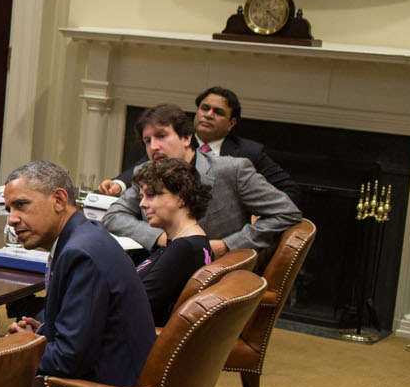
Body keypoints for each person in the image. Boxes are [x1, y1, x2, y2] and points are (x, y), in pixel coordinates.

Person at [2, 161, 156, 387]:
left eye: (21, 205)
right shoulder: (86, 236)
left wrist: (25, 349)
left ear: (59, 199)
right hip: (106, 386)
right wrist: (44, 332)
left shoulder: (80, 254)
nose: (12, 219)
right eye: (9, 208)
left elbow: (69, 360)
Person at [101, 103, 300, 257]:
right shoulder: (145, 173)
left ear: (187, 138)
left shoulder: (232, 170)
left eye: (162, 136)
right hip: (159, 264)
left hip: (213, 275)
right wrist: (161, 238)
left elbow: (286, 213)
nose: (154, 146)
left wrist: (227, 245)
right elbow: (114, 215)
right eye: (148, 141)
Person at [97, 87, 298, 204]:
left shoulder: (247, 154)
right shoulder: (174, 146)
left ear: (232, 123)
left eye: (218, 112)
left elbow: (289, 190)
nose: (209, 114)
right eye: (205, 108)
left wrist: (257, 214)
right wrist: (119, 184)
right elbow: (142, 166)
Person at [131, 159, 214, 327]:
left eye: (152, 195)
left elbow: (134, 306)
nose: (142, 204)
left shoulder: (184, 250)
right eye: (142, 196)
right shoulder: (187, 243)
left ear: (181, 198)